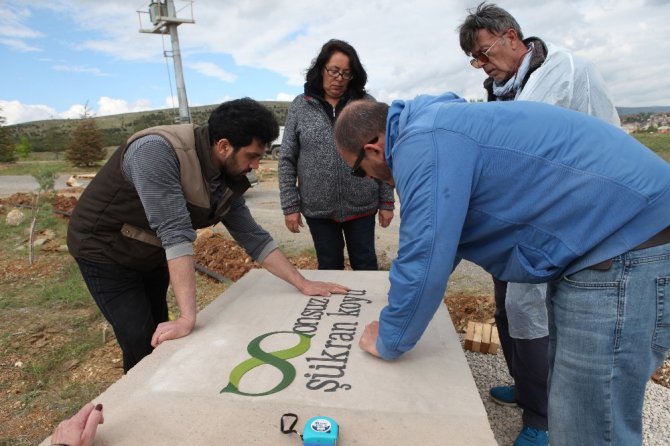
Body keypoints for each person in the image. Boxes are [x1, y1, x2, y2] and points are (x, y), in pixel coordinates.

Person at [334, 96, 670, 446]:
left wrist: (390, 337)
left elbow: (424, 253)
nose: (369, 179)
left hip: (626, 251)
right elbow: (441, 247)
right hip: (612, 245)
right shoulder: (434, 124)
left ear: (372, 149)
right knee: (572, 406)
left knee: (589, 429)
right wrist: (404, 306)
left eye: (358, 170)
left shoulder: (422, 143)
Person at [67, 98, 349, 373]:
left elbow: (253, 236)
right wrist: (189, 317)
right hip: (105, 250)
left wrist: (302, 282)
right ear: (224, 146)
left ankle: (165, 388)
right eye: (251, 156)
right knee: (140, 339)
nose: (255, 166)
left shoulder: (225, 175)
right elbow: (175, 233)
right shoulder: (155, 152)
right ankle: (138, 406)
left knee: (161, 329)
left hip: (151, 252)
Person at [457, 4, 620, 444]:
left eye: (484, 53)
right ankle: (528, 387)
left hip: (565, 222)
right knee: (510, 307)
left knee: (545, 317)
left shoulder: (569, 73)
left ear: (512, 37)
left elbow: (602, 143)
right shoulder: (502, 89)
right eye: (475, 60)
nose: (483, 65)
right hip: (516, 225)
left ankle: (542, 418)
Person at [279, 39, 394, 271]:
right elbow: (287, 159)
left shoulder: (367, 105)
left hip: (362, 206)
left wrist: (386, 202)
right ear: (321, 69)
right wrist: (290, 205)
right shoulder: (301, 106)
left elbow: (383, 155)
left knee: (366, 265)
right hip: (318, 210)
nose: (339, 79)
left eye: (346, 73)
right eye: (333, 71)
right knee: (329, 267)